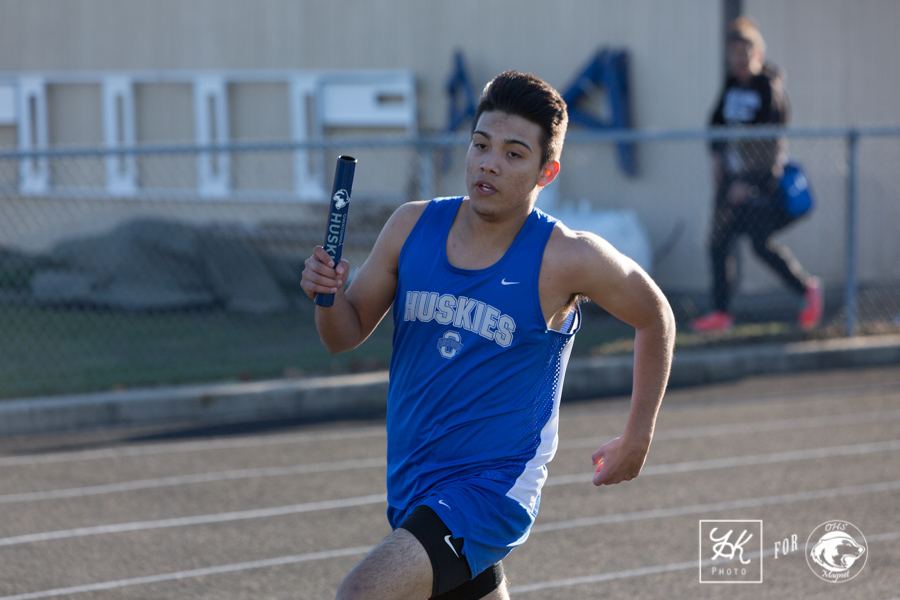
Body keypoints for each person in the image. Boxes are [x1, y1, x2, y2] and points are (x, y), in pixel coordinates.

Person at [301, 71, 675, 600]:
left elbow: (655, 313)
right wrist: (326, 294)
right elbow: (344, 333)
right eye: (481, 145)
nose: (489, 163)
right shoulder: (411, 227)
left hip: (492, 489)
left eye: (514, 154)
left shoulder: (566, 257)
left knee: (362, 593)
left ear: (547, 171)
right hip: (415, 480)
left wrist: (638, 435)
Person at [691, 16, 823, 333]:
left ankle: (806, 290)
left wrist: (747, 184)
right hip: (731, 183)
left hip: (760, 186)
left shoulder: (768, 89)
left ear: (758, 53)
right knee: (721, 242)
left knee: (754, 243)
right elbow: (715, 125)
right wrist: (717, 161)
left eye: (745, 50)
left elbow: (770, 146)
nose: (739, 57)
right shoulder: (730, 86)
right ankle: (722, 312)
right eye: (733, 51)